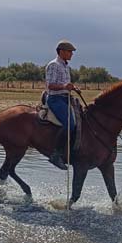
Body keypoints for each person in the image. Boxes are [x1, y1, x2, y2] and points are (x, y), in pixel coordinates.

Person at [45, 39, 78, 170]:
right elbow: (50, 85)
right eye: (70, 51)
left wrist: (73, 87)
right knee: (70, 123)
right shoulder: (54, 65)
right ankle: (56, 154)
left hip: (65, 98)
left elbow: (65, 85)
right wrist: (65, 86)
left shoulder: (65, 66)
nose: (71, 54)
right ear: (62, 52)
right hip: (55, 99)